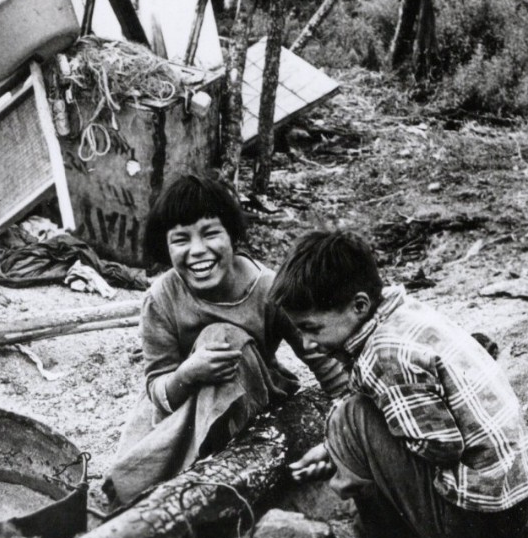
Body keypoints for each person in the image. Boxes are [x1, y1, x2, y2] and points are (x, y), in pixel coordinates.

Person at [268, 230, 528, 538]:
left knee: (349, 418)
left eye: (311, 328)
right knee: (356, 426)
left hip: (474, 517)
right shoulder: (403, 313)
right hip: (510, 506)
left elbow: (441, 447)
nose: (305, 344)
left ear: (359, 306)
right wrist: (346, 451)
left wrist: (357, 451)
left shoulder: (384, 354)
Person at [103, 175, 348, 505]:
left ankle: (194, 482)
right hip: (178, 402)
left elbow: (319, 356)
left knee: (222, 338)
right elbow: (157, 388)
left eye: (210, 233)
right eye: (181, 240)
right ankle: (159, 487)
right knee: (124, 477)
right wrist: (189, 373)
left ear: (232, 236)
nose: (198, 251)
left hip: (250, 400)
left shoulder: (268, 289)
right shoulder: (161, 298)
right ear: (166, 247)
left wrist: (348, 411)